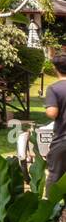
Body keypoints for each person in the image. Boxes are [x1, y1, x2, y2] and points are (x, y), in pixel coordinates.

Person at [46, 51, 66, 188]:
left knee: (55, 176)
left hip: (63, 139)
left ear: (55, 68)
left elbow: (52, 113)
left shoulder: (53, 88)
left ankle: (51, 208)